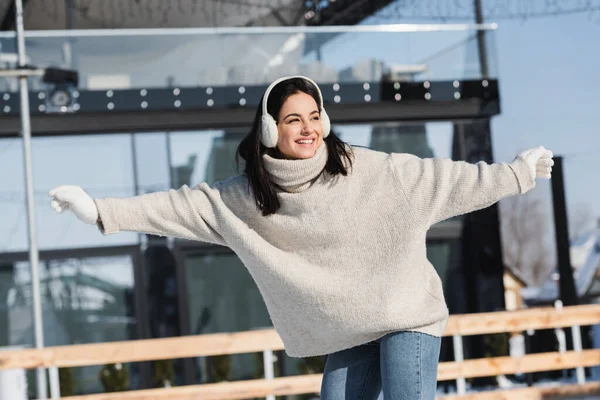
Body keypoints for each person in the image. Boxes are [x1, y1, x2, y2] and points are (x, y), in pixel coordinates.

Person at [49, 75, 553, 399]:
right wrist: (97, 208)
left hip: (406, 314)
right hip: (351, 326)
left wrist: (516, 174)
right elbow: (179, 206)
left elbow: (446, 180)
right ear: (270, 130)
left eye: (315, 117)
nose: (308, 128)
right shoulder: (245, 199)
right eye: (294, 119)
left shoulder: (367, 170)